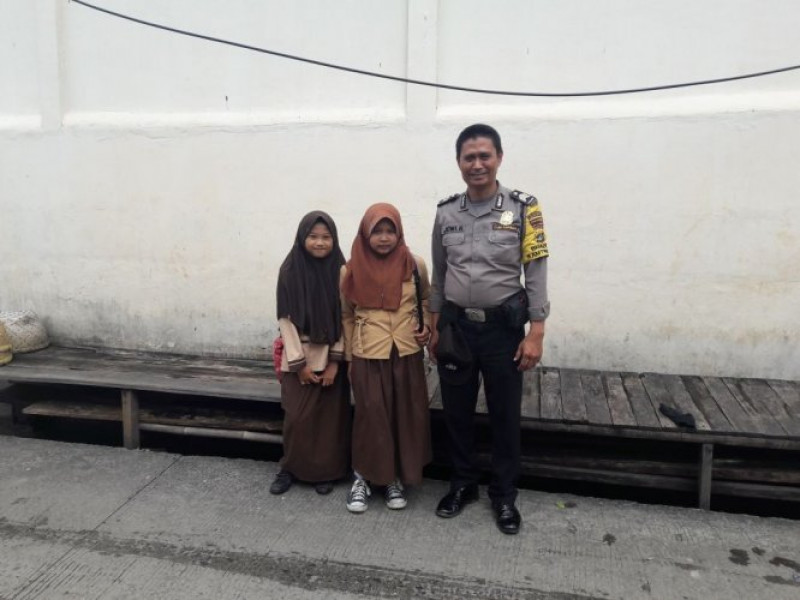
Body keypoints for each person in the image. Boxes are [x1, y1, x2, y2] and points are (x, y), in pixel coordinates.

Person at [429, 124, 550, 535]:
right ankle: (463, 484)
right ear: (459, 162)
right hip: (457, 329)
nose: (477, 164)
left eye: (485, 156)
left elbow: (536, 270)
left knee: (504, 416)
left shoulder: (524, 209)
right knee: (456, 413)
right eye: (469, 157)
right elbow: (439, 274)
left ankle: (504, 495)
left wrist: (536, 332)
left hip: (503, 331)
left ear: (499, 157)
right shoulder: (446, 212)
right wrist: (434, 325)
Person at [341, 203, 432, 513]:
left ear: (399, 233)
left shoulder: (415, 265)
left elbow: (425, 300)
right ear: (365, 234)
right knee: (371, 416)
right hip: (368, 352)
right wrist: (350, 358)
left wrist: (426, 327)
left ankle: (392, 478)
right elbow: (346, 316)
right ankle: (362, 477)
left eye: (389, 231)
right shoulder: (350, 270)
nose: (383, 238)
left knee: (402, 416)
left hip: (405, 351)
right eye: (376, 231)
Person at [270, 211, 350, 496]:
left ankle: (325, 472)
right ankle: (290, 468)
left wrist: (335, 363)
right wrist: (299, 364)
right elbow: (285, 319)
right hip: (298, 355)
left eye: (326, 237)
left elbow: (345, 317)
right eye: (313, 236)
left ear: (334, 239)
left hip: (331, 354)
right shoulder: (290, 270)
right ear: (302, 238)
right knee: (297, 417)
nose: (319, 242)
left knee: (329, 420)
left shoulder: (341, 270)